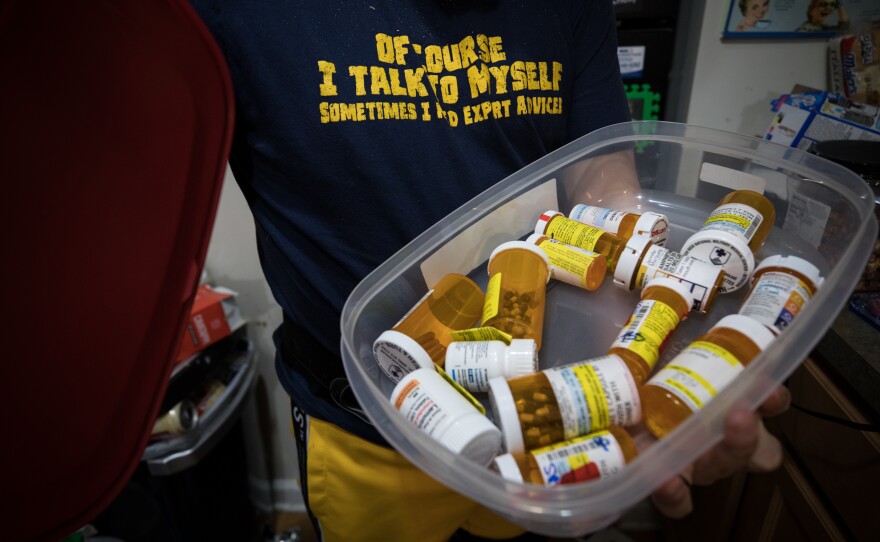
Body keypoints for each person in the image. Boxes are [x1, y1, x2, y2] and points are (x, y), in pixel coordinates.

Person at [188, 1, 789, 541]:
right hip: (366, 432)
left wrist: (632, 371)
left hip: (534, 404)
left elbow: (600, 185)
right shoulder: (228, 14)